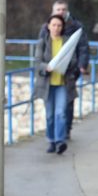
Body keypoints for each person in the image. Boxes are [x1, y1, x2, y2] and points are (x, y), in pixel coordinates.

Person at [39, 0, 90, 140]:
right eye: (58, 9)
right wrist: (44, 68)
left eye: (63, 9)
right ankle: (52, 137)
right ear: (53, 12)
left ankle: (65, 132)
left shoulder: (76, 27)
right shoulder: (46, 28)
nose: (61, 12)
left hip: (70, 72)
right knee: (51, 111)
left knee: (66, 103)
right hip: (49, 76)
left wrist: (81, 65)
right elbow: (39, 54)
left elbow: (83, 48)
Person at [34, 14, 78, 154]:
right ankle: (51, 140)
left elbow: (74, 60)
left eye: (59, 25)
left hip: (62, 83)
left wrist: (67, 65)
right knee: (50, 115)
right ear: (48, 26)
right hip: (48, 83)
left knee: (61, 113)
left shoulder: (67, 41)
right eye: (54, 25)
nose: (56, 28)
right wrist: (46, 67)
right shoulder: (43, 42)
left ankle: (60, 141)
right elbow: (37, 62)